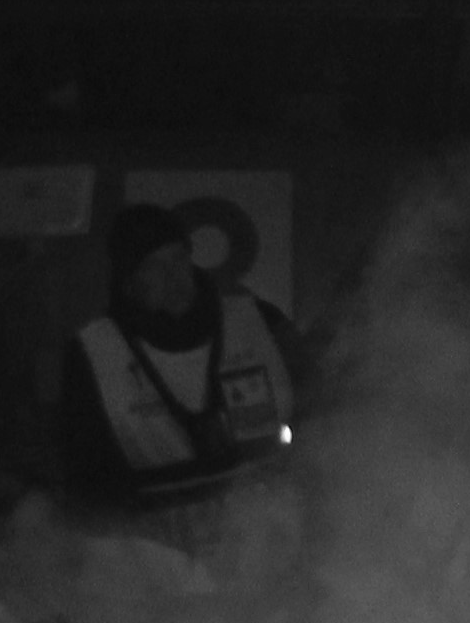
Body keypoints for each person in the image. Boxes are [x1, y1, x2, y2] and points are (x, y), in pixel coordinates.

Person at [51, 201, 299, 528]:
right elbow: (86, 485)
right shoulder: (95, 355)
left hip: (269, 537)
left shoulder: (258, 324)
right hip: (158, 552)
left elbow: (325, 413)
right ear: (129, 280)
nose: (174, 277)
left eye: (179, 258)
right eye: (153, 266)